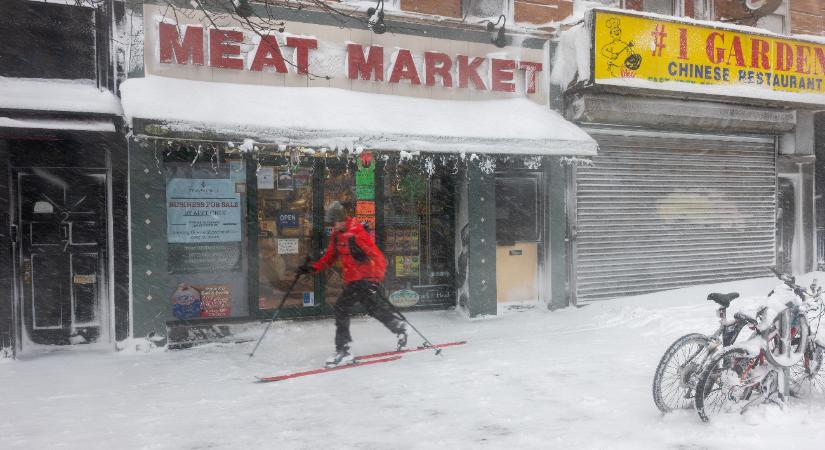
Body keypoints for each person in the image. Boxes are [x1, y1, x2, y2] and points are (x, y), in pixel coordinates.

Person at [299, 201, 407, 367]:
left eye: (335, 222)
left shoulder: (357, 233)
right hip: (352, 280)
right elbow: (330, 258)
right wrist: (312, 268)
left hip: (364, 280)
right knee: (373, 308)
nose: (333, 226)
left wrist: (375, 281)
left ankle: (343, 350)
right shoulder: (337, 236)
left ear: (342, 219)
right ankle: (398, 326)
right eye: (332, 223)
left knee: (341, 307)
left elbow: (378, 257)